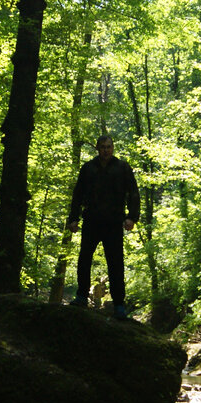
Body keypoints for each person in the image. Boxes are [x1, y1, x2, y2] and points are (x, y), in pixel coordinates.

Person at [67, 135, 139, 318]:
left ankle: (119, 305)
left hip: (114, 222)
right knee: (84, 259)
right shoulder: (88, 168)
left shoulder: (122, 168)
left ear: (113, 148)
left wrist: (132, 217)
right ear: (97, 148)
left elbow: (133, 193)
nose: (106, 150)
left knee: (116, 264)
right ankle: (82, 296)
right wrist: (73, 218)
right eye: (103, 147)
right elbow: (78, 194)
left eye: (109, 147)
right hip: (91, 220)